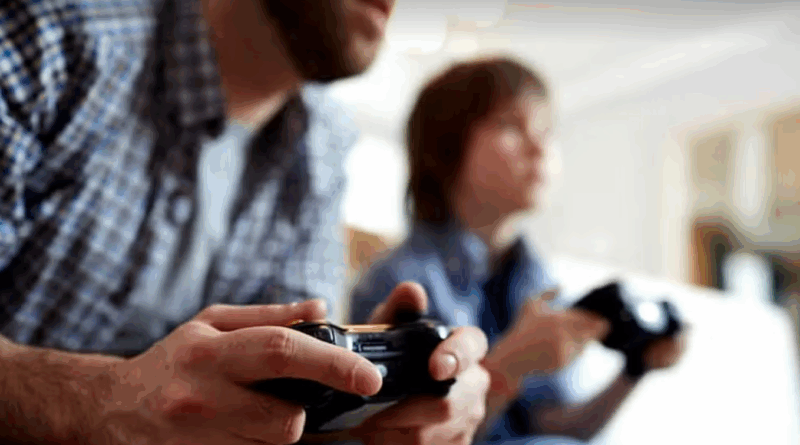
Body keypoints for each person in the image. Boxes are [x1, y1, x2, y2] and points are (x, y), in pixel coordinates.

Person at [0, 1, 490, 444]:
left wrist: (368, 403)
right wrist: (104, 400)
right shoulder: (52, 40)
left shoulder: (324, 143)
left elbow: (278, 404)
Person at [350, 56, 685, 444]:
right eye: (510, 126)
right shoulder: (399, 285)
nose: (539, 147)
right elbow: (413, 438)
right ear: (446, 148)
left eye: (546, 131)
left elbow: (557, 427)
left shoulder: (538, 279)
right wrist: (510, 365)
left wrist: (635, 371)